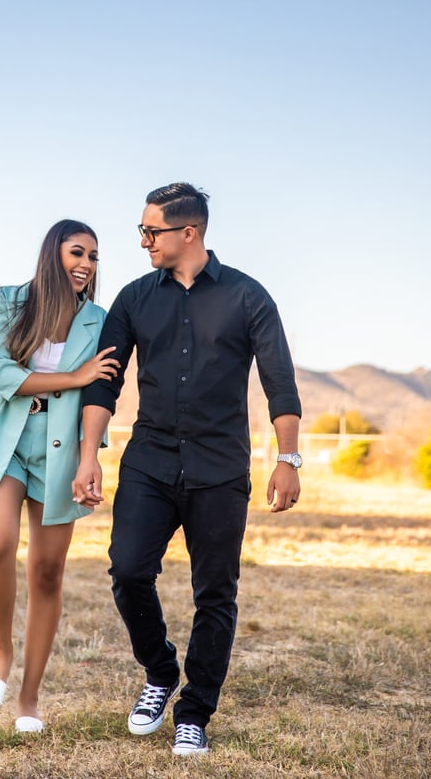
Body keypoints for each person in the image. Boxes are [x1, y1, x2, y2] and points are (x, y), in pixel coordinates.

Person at [72, 183, 302, 757]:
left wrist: (287, 459)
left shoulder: (248, 296)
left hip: (219, 470)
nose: (143, 242)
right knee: (128, 571)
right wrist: (88, 454)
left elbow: (279, 381)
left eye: (151, 232)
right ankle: (160, 671)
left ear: (189, 233)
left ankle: (194, 712)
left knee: (215, 595)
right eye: (143, 231)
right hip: (149, 462)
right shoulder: (133, 298)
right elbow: (105, 383)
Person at [0, 219, 118, 733]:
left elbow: (99, 393)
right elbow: (2, 375)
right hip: (5, 440)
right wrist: (74, 376)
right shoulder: (8, 302)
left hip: (62, 451)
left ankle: (29, 698)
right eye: (77, 252)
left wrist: (89, 457)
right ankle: (2, 653)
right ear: (52, 253)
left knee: (46, 571)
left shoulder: (99, 321)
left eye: (93, 257)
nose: (85, 265)